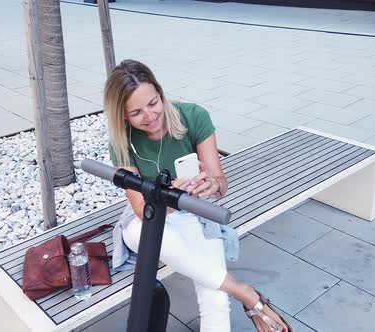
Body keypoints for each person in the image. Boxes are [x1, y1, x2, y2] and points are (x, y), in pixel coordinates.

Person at [104, 59, 293, 332]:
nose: (150, 116)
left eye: (153, 103)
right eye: (136, 113)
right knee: (134, 233)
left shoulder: (193, 117)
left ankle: (239, 293)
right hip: (155, 216)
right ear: (123, 115)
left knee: (214, 296)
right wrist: (173, 195)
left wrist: (211, 185)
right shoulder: (123, 140)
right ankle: (245, 293)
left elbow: (221, 184)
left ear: (161, 92)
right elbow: (140, 209)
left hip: (194, 211)